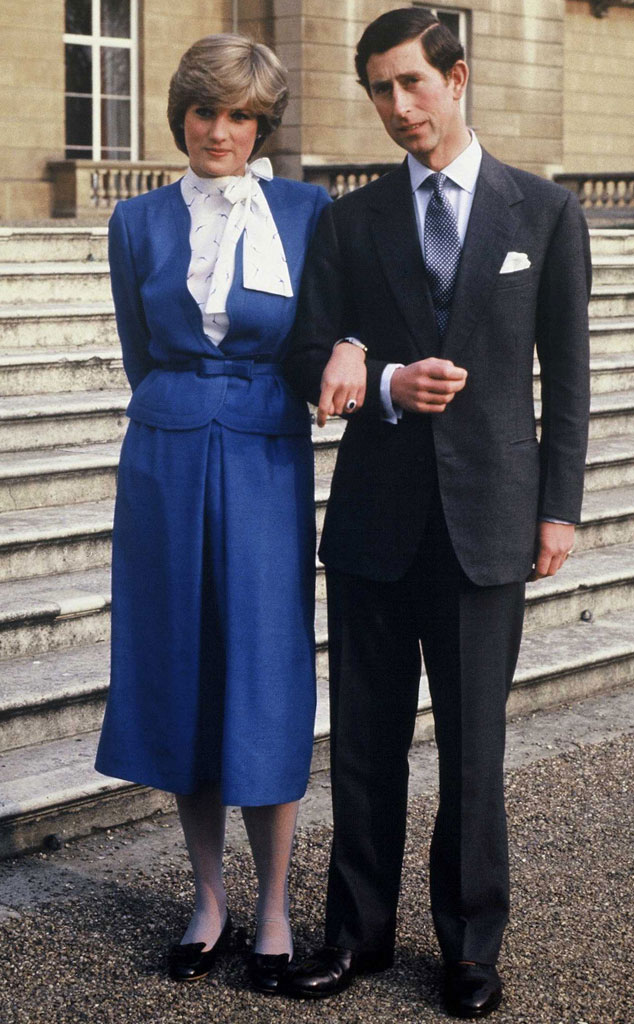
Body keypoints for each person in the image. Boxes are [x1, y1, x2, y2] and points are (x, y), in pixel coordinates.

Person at [282, 7, 591, 1018]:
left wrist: (559, 509)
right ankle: (356, 934)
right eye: (379, 88)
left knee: (473, 751)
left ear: (458, 78)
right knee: (364, 744)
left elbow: (569, 378)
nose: (396, 106)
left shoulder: (542, 212)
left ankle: (467, 946)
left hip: (489, 521)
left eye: (412, 82)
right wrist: (368, 376)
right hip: (373, 521)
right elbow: (306, 351)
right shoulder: (348, 218)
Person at [95, 33, 330, 995]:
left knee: (263, 670)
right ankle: (209, 901)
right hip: (165, 456)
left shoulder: (309, 212)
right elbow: (139, 347)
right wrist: (186, 409)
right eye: (204, 111)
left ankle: (273, 909)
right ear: (180, 116)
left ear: (262, 125)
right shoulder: (137, 219)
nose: (219, 130)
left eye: (239, 116)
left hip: (267, 459)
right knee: (183, 666)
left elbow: (332, 322)